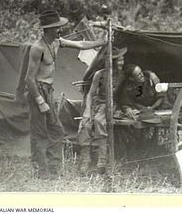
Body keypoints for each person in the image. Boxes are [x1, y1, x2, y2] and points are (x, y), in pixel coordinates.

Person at [24, 10, 107, 179]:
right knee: (39, 133)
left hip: (48, 90)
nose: (61, 29)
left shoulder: (56, 42)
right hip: (36, 92)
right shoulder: (37, 48)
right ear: (48, 29)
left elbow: (80, 45)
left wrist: (101, 42)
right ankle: (41, 172)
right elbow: (29, 79)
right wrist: (40, 101)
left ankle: (53, 169)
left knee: (57, 130)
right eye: (57, 27)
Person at [77, 47, 127, 175]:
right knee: (85, 124)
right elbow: (90, 94)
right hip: (96, 103)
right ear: (112, 61)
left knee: (100, 122)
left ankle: (102, 161)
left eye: (122, 60)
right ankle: (85, 160)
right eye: (119, 60)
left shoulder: (122, 75)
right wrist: (87, 111)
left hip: (110, 105)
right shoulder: (99, 74)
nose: (122, 62)